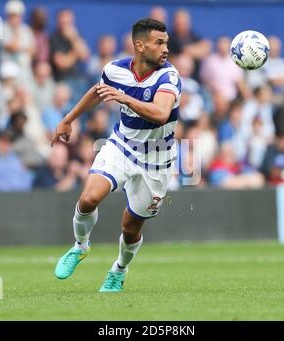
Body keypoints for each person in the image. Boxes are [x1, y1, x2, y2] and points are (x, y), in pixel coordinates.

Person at [51, 18, 181, 292]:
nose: (165, 48)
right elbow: (98, 93)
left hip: (156, 160)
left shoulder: (169, 77)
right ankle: (80, 246)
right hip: (122, 146)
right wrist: (68, 119)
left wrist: (125, 99)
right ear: (139, 45)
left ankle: (118, 270)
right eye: (159, 43)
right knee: (88, 198)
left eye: (166, 43)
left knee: (130, 226)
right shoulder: (115, 69)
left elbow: (160, 114)